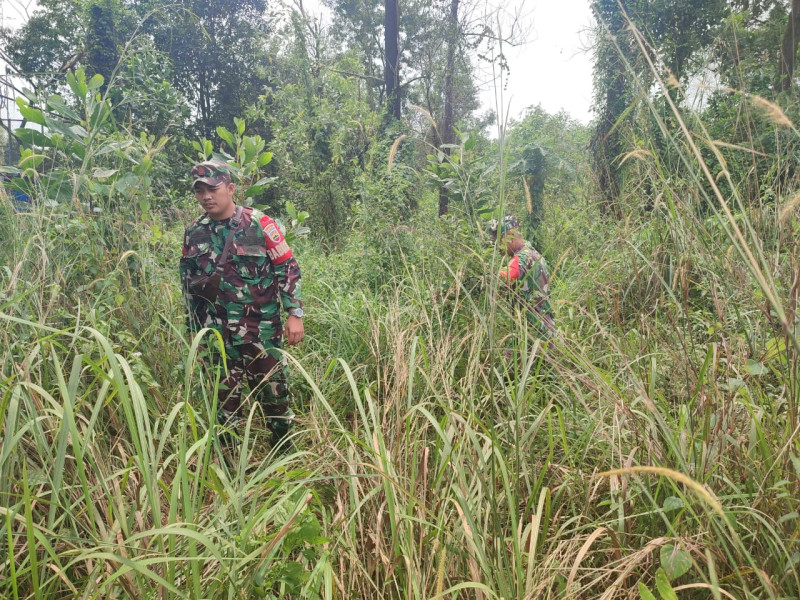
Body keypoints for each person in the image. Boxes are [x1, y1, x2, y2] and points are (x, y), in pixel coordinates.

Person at [179, 160, 304, 450]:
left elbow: (287, 268)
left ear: (230, 188)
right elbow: (188, 282)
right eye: (199, 191)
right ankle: (230, 461)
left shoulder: (260, 224)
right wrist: (193, 329)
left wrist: (294, 313)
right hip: (216, 336)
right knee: (223, 404)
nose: (206, 196)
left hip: (260, 332)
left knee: (275, 397)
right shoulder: (194, 232)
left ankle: (283, 453)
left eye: (212, 188)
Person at [492, 215, 554, 339]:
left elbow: (495, 281)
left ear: (507, 238)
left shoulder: (519, 260)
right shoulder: (535, 254)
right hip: (547, 328)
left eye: (498, 241)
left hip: (531, 333)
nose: (498, 247)